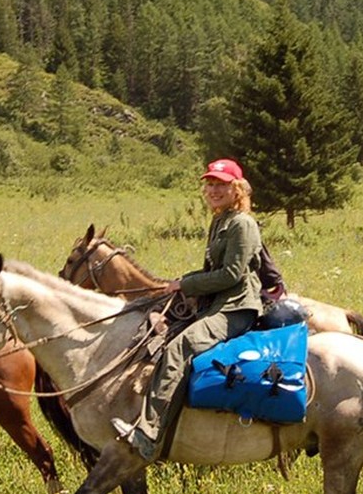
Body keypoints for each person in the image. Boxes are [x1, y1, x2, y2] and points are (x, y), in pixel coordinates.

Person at [112, 157, 262, 459]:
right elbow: (212, 270)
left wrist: (187, 285)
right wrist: (180, 282)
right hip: (217, 303)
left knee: (179, 348)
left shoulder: (242, 224)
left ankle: (149, 434)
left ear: (237, 189)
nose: (213, 190)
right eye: (210, 184)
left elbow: (231, 274)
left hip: (235, 308)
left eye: (221, 185)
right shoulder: (221, 220)